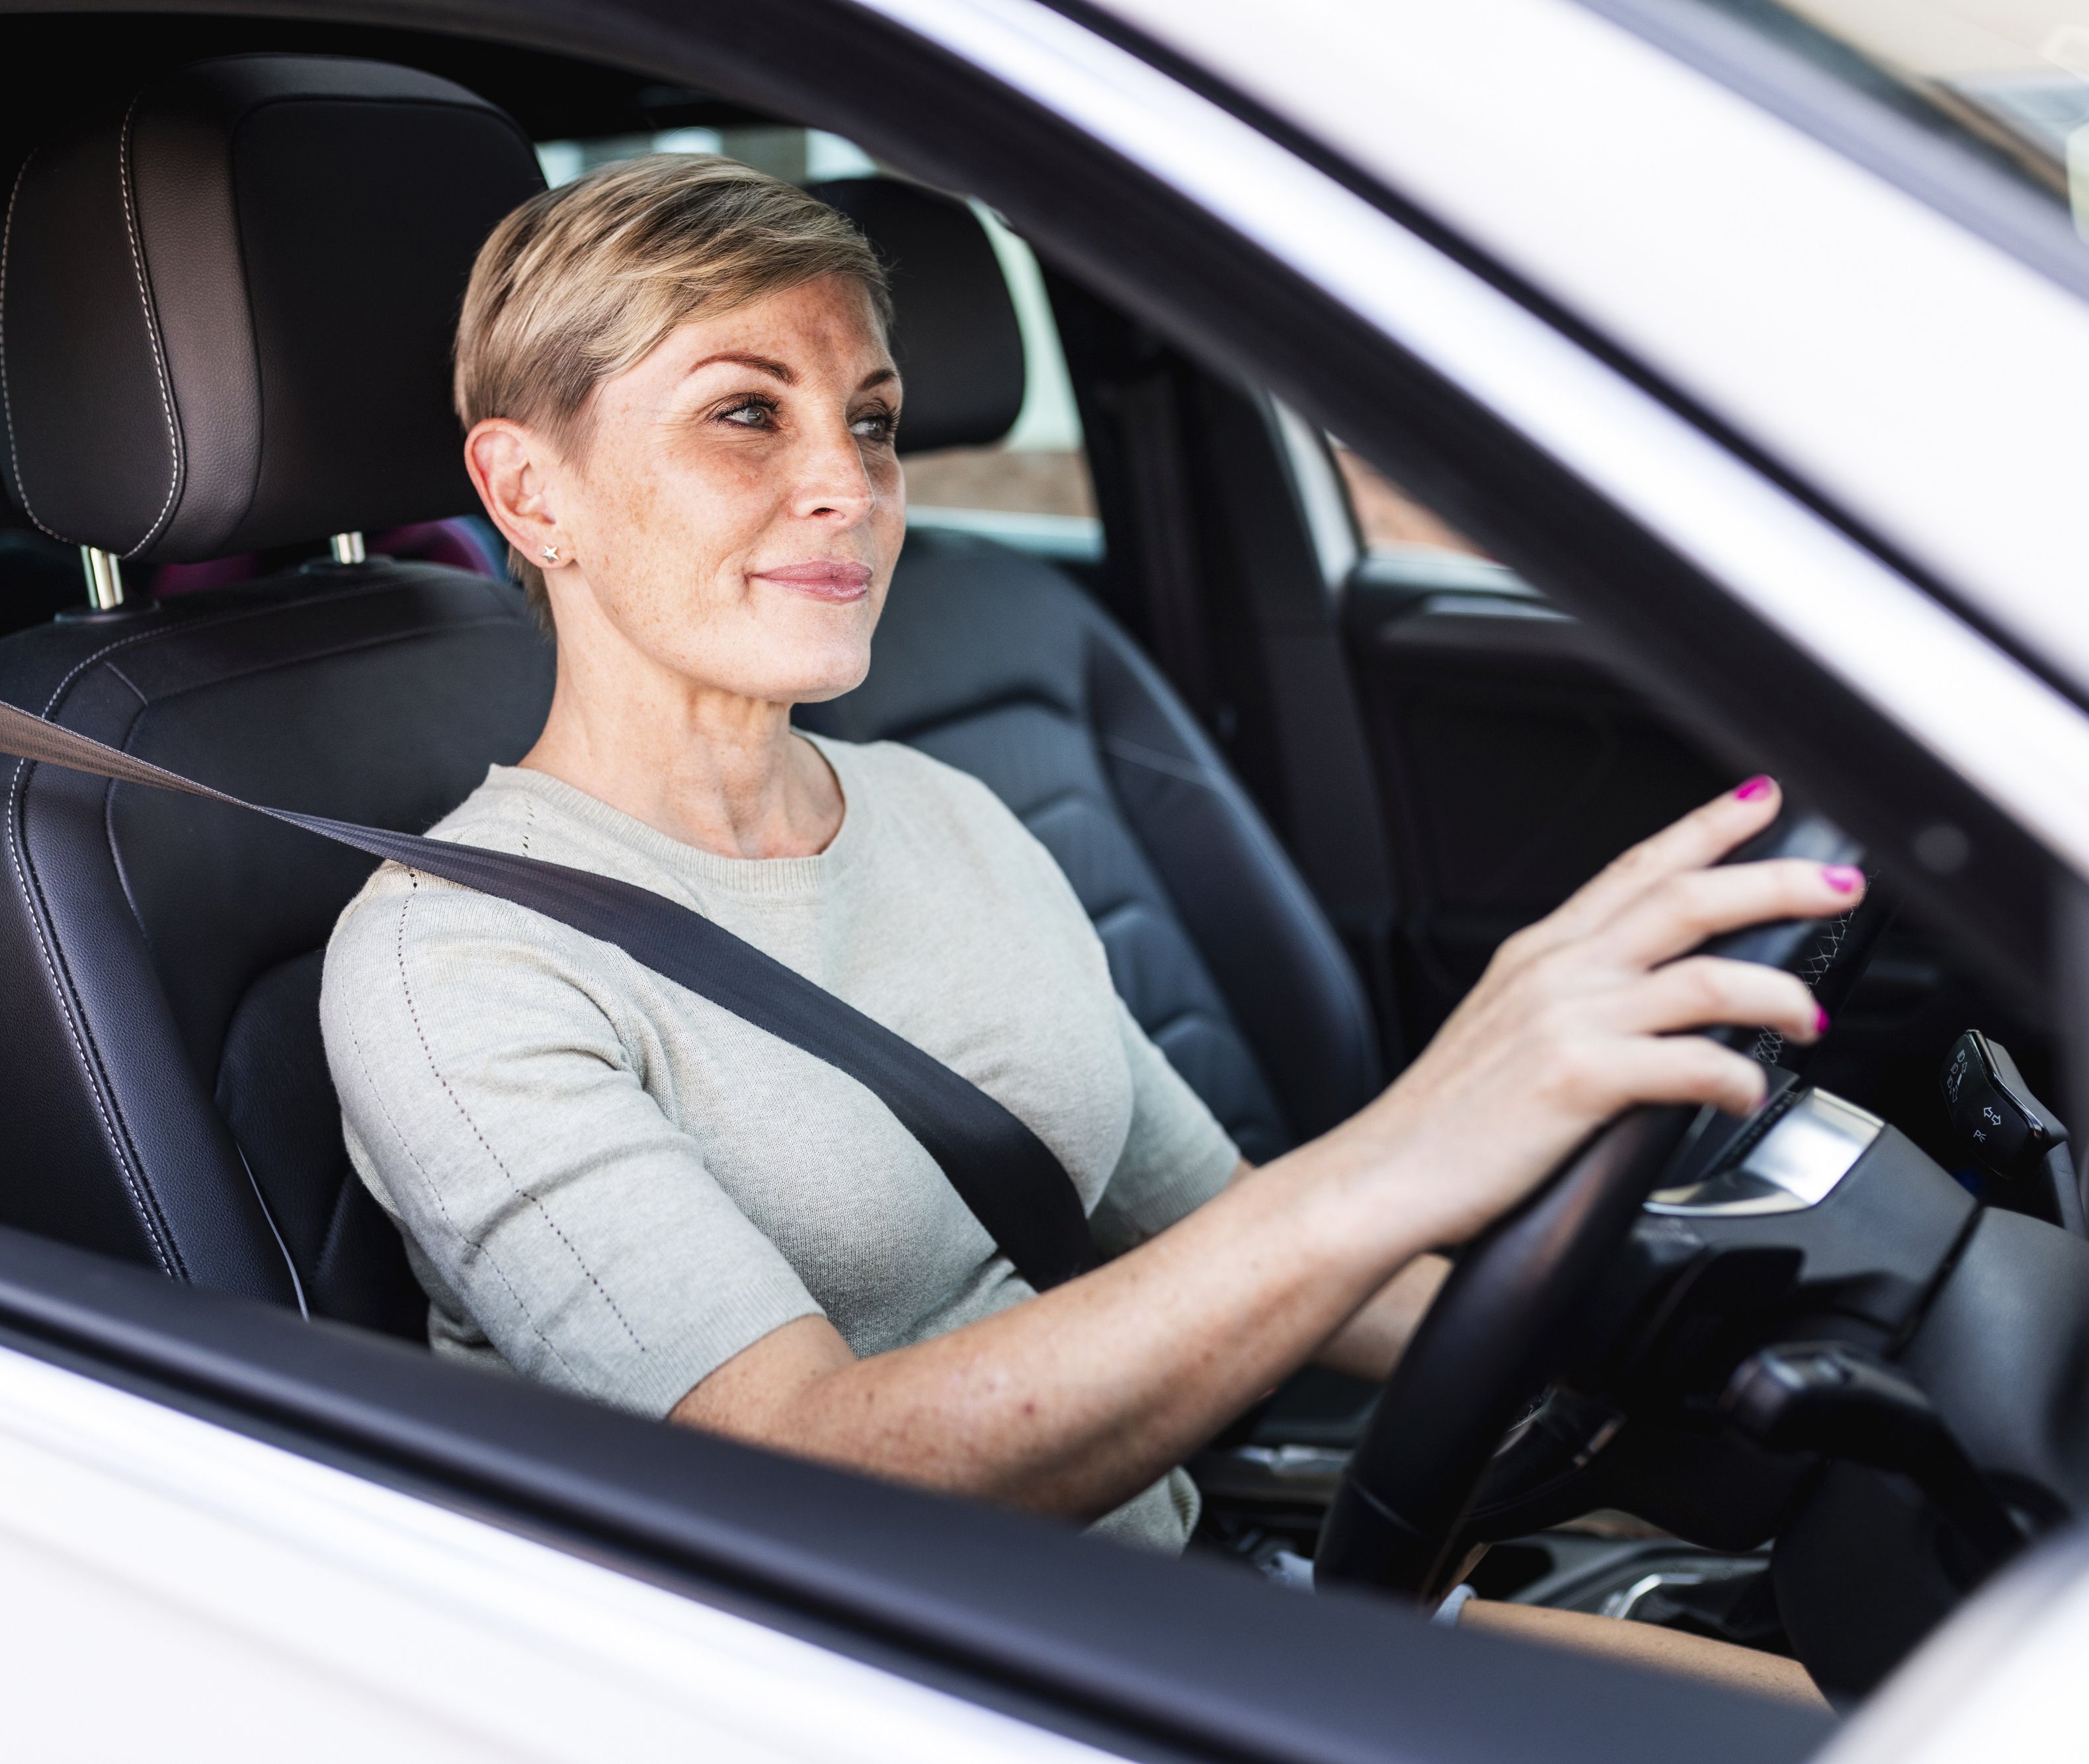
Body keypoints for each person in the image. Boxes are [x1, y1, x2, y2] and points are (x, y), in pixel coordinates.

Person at [323, 155, 1848, 1704]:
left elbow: (1206, 1231)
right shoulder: (454, 964)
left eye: (870, 418)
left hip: (1182, 1603)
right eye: (744, 410)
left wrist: (1680, 1358)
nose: (847, 481)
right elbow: (795, 1486)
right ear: (528, 490)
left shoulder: (946, 813)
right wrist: (1396, 1155)